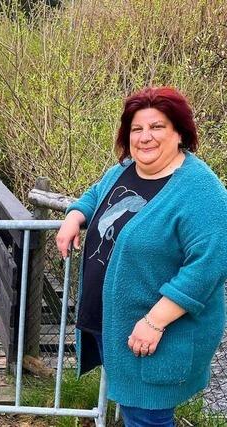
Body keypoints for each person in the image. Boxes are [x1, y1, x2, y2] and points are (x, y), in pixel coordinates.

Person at [55, 87, 227, 426]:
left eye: (157, 127)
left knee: (147, 417)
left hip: (153, 333)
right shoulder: (123, 170)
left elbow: (208, 266)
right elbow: (96, 195)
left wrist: (155, 321)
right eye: (137, 129)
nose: (145, 137)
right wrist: (75, 215)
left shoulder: (202, 192)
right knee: (135, 412)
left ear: (180, 133)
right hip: (113, 325)